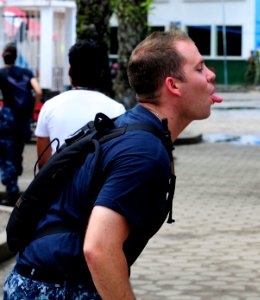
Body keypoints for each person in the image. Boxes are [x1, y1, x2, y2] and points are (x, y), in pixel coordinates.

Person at [3, 30, 223, 299]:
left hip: (40, 280)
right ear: (173, 86)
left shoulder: (129, 128)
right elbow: (99, 248)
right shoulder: (144, 150)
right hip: (57, 288)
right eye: (200, 68)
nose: (211, 74)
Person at [34, 39, 126, 168]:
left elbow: (43, 163)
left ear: (70, 71)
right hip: (100, 185)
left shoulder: (49, 106)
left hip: (58, 185)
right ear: (100, 73)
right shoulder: (116, 110)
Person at [0, 43, 42, 206]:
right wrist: (32, 109)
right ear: (16, 56)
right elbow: (38, 91)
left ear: (4, 56)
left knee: (6, 154)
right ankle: (14, 183)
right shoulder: (26, 72)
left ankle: (12, 193)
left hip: (7, 119)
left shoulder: (2, 73)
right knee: (17, 151)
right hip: (23, 121)